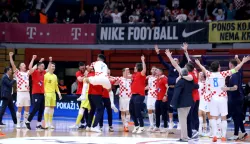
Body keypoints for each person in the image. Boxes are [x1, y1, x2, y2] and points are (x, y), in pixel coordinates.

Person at [195, 56, 250, 142]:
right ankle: (223, 136)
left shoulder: (209, 74)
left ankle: (214, 135)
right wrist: (242, 62)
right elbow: (236, 69)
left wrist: (198, 63)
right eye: (219, 66)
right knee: (223, 117)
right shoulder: (223, 74)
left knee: (213, 117)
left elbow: (203, 69)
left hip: (213, 98)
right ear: (218, 67)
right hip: (222, 98)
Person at [154, 45, 187, 130]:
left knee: (179, 105)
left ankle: (179, 123)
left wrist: (185, 51)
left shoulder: (180, 68)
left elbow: (185, 60)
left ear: (178, 62)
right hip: (170, 89)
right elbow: (162, 61)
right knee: (170, 106)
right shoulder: (169, 67)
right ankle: (171, 122)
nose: (174, 61)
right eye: (173, 60)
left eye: (176, 60)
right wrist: (158, 53)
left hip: (178, 88)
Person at [25, 55, 52, 130]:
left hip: (42, 93)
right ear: (38, 67)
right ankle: (28, 121)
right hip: (35, 93)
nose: (44, 67)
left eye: (44, 66)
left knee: (41, 109)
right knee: (35, 108)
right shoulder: (35, 72)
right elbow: (30, 67)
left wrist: (50, 61)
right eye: (42, 66)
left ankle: (38, 124)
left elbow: (49, 68)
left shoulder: (43, 72)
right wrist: (33, 58)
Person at [171, 68, 196, 142]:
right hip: (189, 103)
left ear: (181, 74)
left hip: (182, 104)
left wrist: (173, 103)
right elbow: (196, 86)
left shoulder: (180, 81)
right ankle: (185, 136)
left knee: (182, 121)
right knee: (184, 120)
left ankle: (184, 137)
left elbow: (176, 93)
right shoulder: (190, 81)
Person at [9, 52, 32, 128]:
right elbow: (13, 65)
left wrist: (33, 59)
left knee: (27, 107)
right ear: (20, 67)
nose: (24, 65)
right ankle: (18, 122)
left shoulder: (27, 73)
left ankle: (25, 122)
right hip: (20, 93)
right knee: (19, 108)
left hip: (27, 93)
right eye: (22, 65)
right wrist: (10, 57)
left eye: (24, 65)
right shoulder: (18, 73)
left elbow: (33, 68)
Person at [226, 56, 247, 140]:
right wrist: (240, 60)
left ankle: (236, 134)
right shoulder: (237, 72)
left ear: (231, 65)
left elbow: (235, 87)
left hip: (236, 98)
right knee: (236, 116)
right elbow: (240, 66)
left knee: (236, 117)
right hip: (237, 98)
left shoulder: (234, 75)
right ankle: (243, 132)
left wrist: (227, 88)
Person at [130, 55, 146, 134]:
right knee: (131, 110)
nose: (134, 67)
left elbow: (145, 69)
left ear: (138, 67)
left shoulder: (141, 74)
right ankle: (136, 125)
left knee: (137, 111)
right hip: (133, 95)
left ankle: (142, 126)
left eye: (135, 66)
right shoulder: (134, 75)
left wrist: (143, 60)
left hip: (140, 95)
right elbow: (127, 76)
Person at [112, 68, 132, 132]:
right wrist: (115, 80)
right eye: (127, 71)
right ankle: (125, 125)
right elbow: (114, 83)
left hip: (129, 97)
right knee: (123, 112)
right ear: (123, 72)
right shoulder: (120, 79)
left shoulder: (131, 79)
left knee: (128, 111)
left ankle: (126, 125)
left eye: (129, 71)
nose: (128, 72)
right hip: (122, 97)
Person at [44, 62, 62, 129]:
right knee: (47, 108)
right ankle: (46, 123)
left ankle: (50, 123)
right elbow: (43, 85)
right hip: (47, 93)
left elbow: (56, 86)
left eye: (54, 66)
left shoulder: (55, 76)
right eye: (52, 66)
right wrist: (44, 92)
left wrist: (59, 93)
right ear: (49, 67)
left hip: (53, 94)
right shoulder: (45, 75)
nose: (53, 67)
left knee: (52, 109)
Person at [153, 68, 168, 133]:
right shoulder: (157, 79)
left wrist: (165, 95)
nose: (156, 71)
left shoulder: (164, 78)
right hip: (158, 99)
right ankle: (157, 126)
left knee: (164, 113)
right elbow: (158, 88)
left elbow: (167, 87)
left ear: (161, 72)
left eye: (157, 70)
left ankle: (165, 127)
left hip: (163, 99)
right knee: (157, 113)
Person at [75, 62, 88, 129]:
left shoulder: (88, 71)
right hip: (79, 93)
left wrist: (86, 73)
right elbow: (80, 80)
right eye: (81, 67)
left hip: (86, 93)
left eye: (84, 67)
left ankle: (88, 123)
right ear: (79, 67)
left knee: (86, 109)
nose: (83, 68)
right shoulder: (78, 73)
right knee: (81, 108)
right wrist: (86, 75)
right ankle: (82, 123)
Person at [146, 66, 157, 132]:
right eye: (153, 69)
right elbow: (149, 86)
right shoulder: (149, 77)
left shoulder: (158, 77)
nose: (154, 70)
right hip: (150, 94)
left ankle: (157, 125)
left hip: (156, 95)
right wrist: (143, 88)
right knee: (149, 109)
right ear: (151, 70)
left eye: (155, 69)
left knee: (156, 110)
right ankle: (151, 125)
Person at [198, 72, 209, 136]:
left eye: (200, 75)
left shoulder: (201, 83)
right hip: (203, 100)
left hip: (203, 100)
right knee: (204, 115)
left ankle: (200, 130)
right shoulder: (205, 83)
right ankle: (203, 130)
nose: (199, 76)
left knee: (201, 114)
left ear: (203, 76)